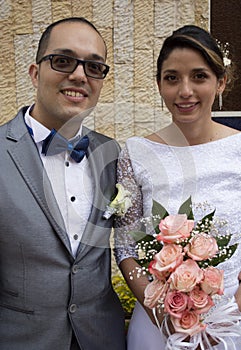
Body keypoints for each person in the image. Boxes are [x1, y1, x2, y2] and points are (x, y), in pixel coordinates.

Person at [0, 17, 126, 350]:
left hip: (103, 338)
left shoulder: (112, 154)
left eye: (94, 67)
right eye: (63, 61)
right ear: (34, 72)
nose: (79, 75)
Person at [114, 25, 241, 349]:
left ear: (221, 81)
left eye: (199, 76)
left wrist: (233, 312)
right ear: (159, 84)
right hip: (159, 325)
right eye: (172, 78)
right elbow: (126, 248)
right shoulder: (135, 153)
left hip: (234, 318)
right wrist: (167, 317)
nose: (185, 90)